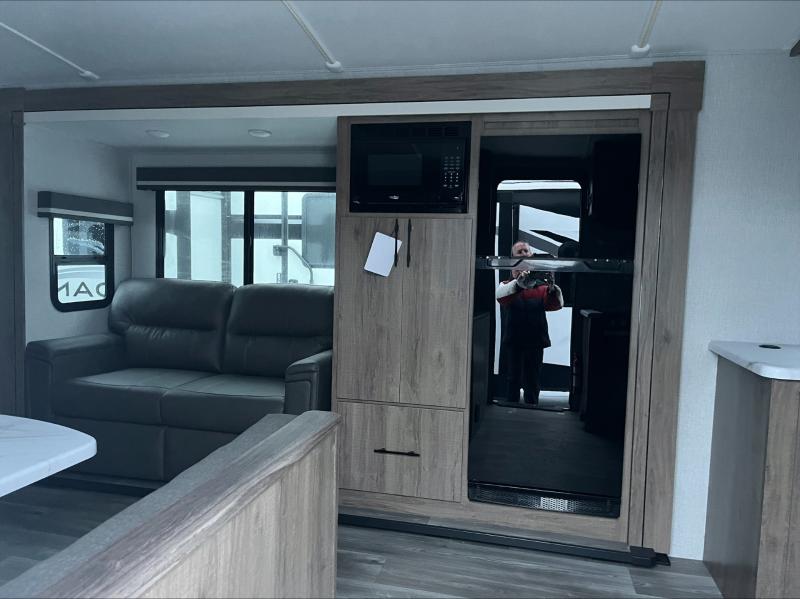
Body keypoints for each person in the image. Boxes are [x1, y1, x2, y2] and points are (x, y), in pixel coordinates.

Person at [496, 241, 564, 405]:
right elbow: (502, 297)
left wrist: (552, 289)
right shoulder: (506, 284)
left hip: (535, 339)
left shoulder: (541, 287)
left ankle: (532, 408)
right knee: (513, 379)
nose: (524, 254)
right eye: (519, 252)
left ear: (532, 255)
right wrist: (519, 284)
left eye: (526, 251)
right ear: (512, 259)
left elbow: (554, 305)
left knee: (532, 380)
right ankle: (510, 409)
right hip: (515, 339)